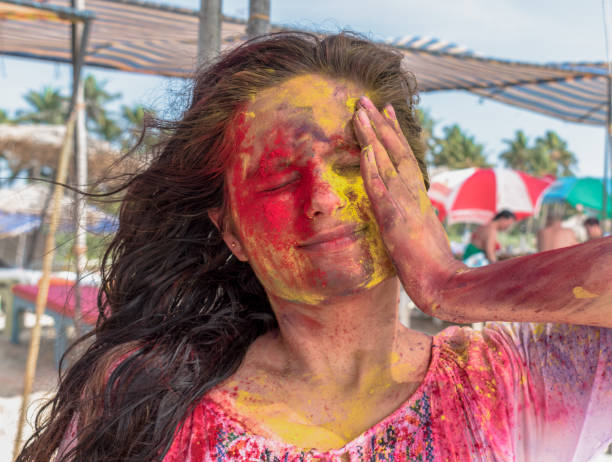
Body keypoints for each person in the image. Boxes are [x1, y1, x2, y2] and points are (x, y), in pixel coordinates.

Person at [18, 32, 612, 462]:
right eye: (278, 178)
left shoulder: (516, 379)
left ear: (413, 185)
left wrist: (453, 285)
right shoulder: (146, 395)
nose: (322, 197)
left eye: (353, 163)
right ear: (231, 233)